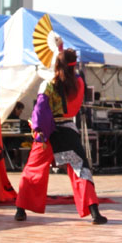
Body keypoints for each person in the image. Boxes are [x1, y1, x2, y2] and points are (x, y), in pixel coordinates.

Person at [14, 44, 108, 225]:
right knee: (81, 171)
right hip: (68, 135)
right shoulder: (79, 84)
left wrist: (38, 129)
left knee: (33, 171)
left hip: (47, 135)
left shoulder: (48, 85)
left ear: (56, 64)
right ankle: (94, 212)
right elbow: (72, 72)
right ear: (74, 65)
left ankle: (20, 210)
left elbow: (40, 111)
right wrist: (61, 51)